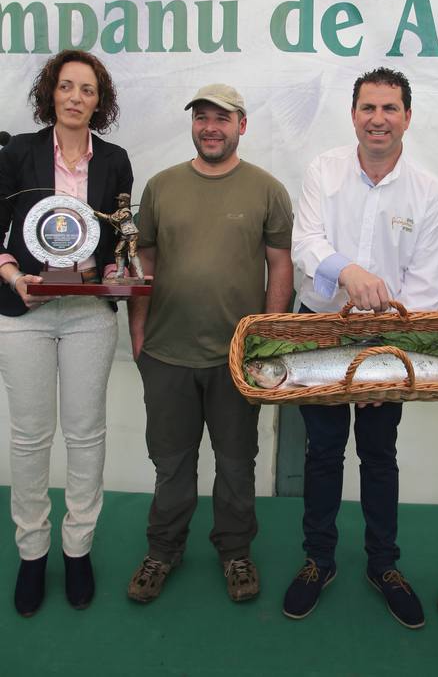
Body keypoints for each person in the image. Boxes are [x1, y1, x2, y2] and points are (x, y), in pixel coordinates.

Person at [284, 67, 438, 626]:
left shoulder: (429, 193)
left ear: (407, 116)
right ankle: (318, 560)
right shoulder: (322, 170)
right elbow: (306, 241)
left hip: (392, 343)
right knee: (323, 453)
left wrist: (387, 367)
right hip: (322, 330)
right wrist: (348, 271)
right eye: (368, 108)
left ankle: (384, 565)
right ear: (353, 114)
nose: (378, 119)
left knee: (379, 456)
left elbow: (425, 291)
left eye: (390, 108)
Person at [126, 83, 293, 605]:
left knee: (237, 463)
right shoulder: (160, 187)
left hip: (236, 360)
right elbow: (143, 264)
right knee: (171, 463)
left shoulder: (267, 189)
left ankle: (235, 551)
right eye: (202, 117)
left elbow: (280, 267)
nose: (211, 126)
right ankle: (163, 550)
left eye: (222, 117)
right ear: (192, 124)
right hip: (166, 355)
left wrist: (264, 343)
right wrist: (138, 336)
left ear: (243, 125)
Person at [0, 49, 134, 616]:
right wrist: (10, 274)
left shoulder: (117, 160)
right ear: (50, 93)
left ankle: (77, 550)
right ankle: (33, 554)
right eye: (66, 86)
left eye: (87, 90)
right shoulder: (18, 153)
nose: (76, 97)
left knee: (85, 434)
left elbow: (117, 240)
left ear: (99, 102)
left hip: (87, 316)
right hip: (26, 310)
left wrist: (111, 273)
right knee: (30, 438)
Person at [94, 192, 144, 279]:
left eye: (122, 201)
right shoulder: (119, 211)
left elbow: (113, 219)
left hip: (131, 235)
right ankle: (120, 272)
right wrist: (100, 214)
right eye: (119, 201)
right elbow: (111, 217)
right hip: (124, 235)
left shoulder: (126, 212)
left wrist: (100, 215)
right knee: (118, 252)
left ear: (127, 203)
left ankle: (140, 274)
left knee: (132, 254)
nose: (119, 203)